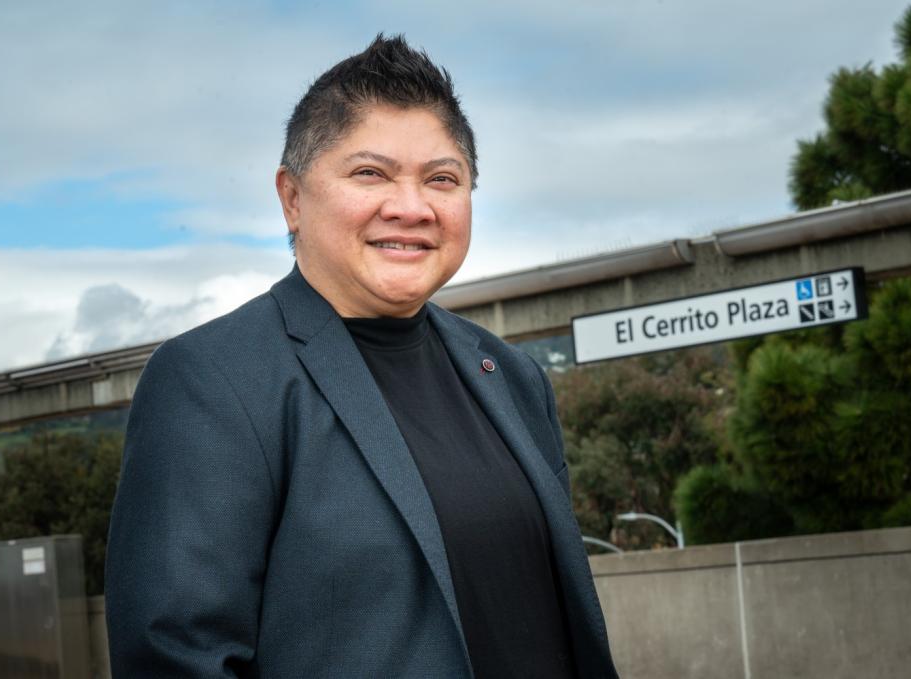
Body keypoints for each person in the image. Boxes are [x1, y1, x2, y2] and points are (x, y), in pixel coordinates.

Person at [105, 34, 618, 678]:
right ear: (292, 198)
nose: (411, 207)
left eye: (442, 179)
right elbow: (176, 657)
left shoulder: (512, 378)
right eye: (370, 173)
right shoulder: (214, 379)